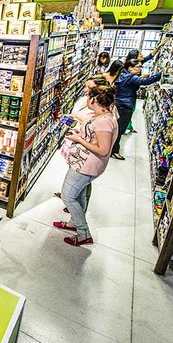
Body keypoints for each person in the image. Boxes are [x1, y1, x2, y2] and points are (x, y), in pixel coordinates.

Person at [55, 85, 118, 246]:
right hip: (82, 162)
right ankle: (73, 223)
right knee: (79, 195)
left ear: (94, 100)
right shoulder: (101, 116)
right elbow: (93, 137)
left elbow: (103, 150)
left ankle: (84, 233)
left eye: (89, 95)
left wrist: (79, 140)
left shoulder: (105, 122)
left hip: (86, 166)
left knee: (68, 196)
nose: (86, 98)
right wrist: (79, 132)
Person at [54, 75, 111, 212]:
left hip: (87, 156)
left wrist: (79, 134)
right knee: (77, 182)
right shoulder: (84, 101)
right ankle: (75, 198)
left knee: (78, 186)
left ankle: (79, 217)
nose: (86, 90)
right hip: (77, 149)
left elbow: (101, 144)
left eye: (90, 88)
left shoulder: (103, 113)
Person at [111, 59, 162, 160]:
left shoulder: (123, 74)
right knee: (120, 129)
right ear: (130, 68)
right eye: (138, 67)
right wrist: (161, 74)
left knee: (117, 128)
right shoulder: (131, 77)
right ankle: (114, 151)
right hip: (125, 105)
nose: (140, 69)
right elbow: (146, 82)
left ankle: (112, 148)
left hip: (119, 103)